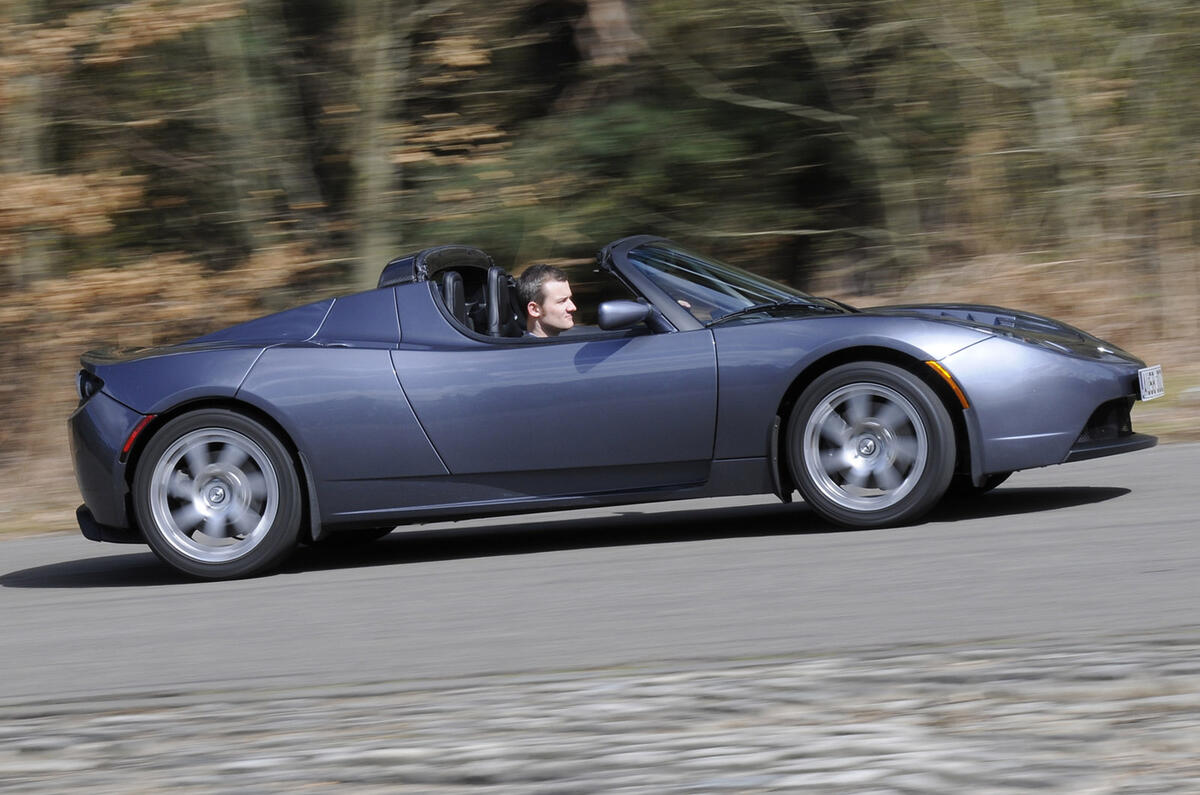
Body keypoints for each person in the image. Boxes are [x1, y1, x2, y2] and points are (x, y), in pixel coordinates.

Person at [517, 264, 577, 337]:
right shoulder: (530, 348)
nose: (573, 307)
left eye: (570, 299)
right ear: (535, 310)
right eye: (562, 301)